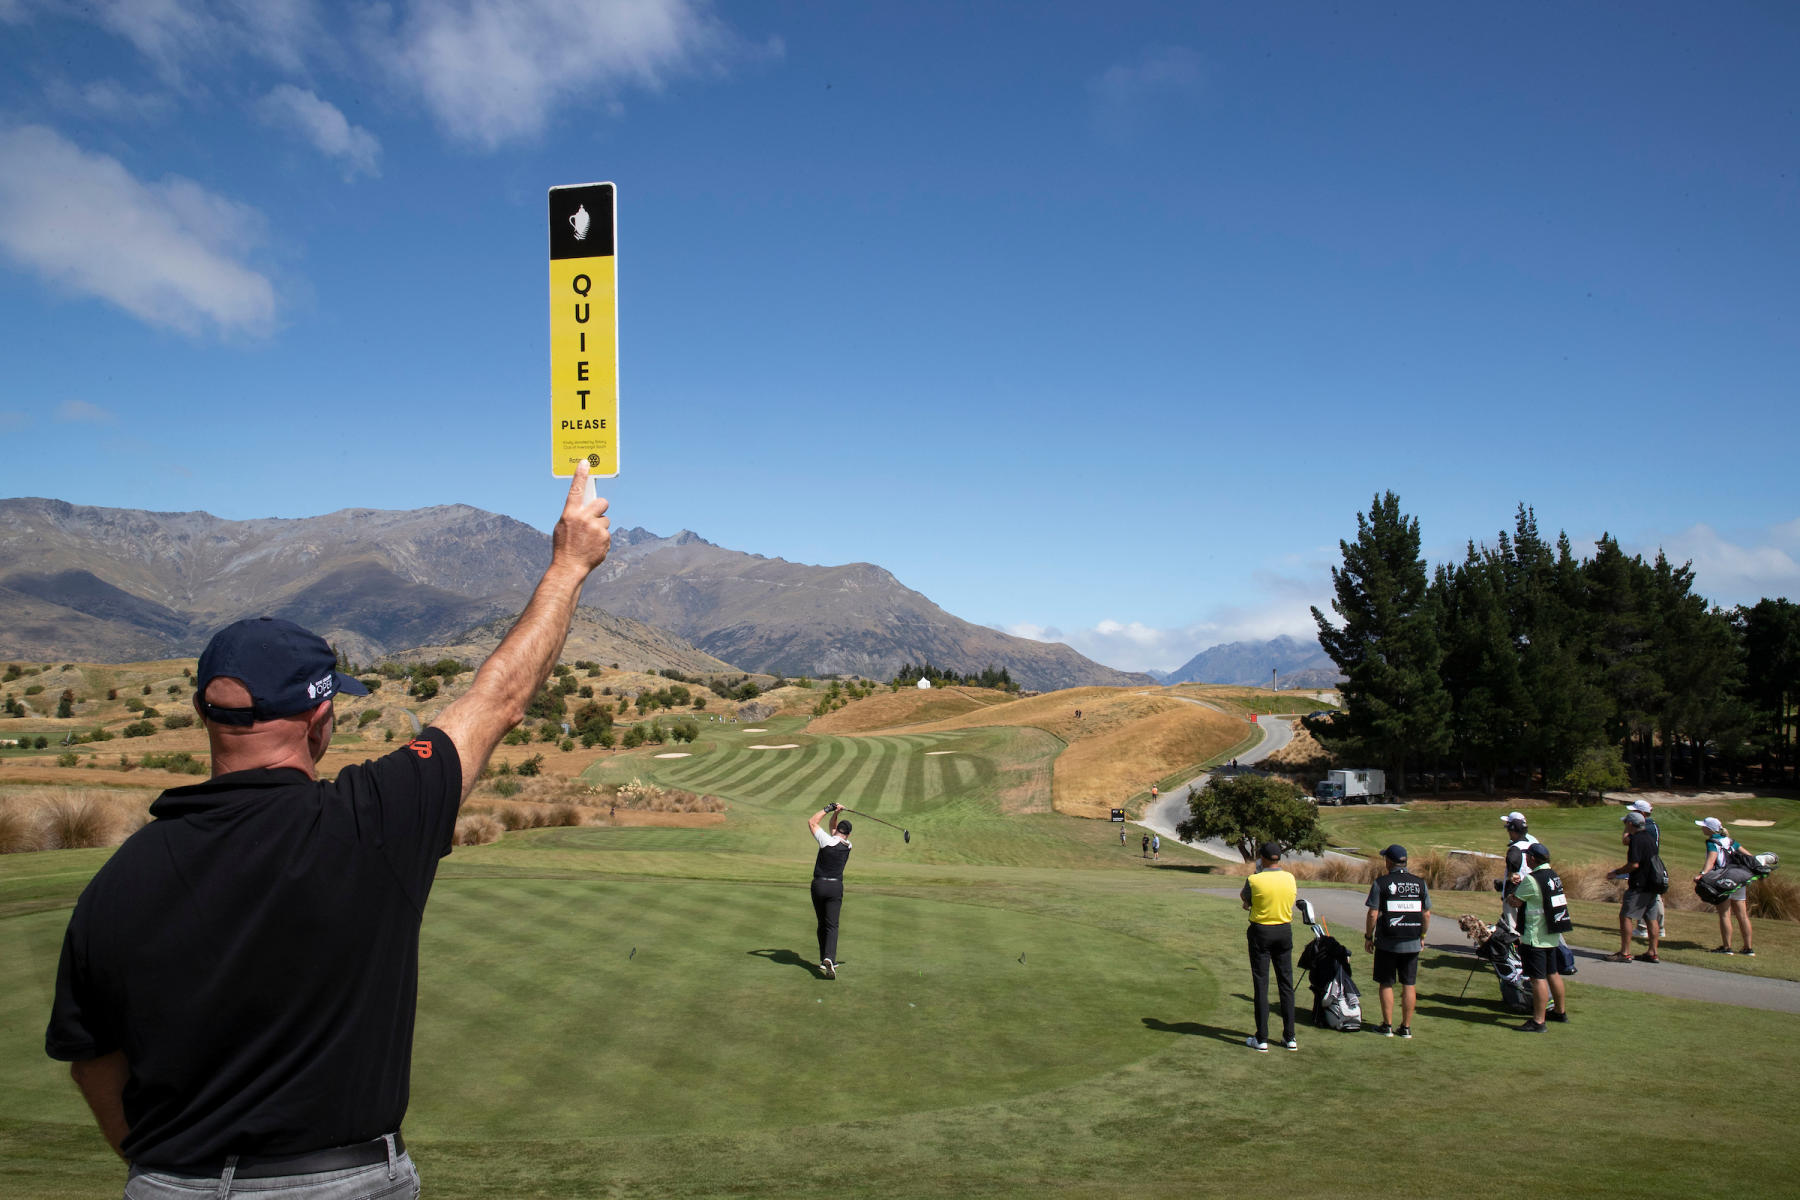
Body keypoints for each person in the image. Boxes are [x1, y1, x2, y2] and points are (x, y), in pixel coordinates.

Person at [44, 464, 613, 1196]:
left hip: (167, 1183)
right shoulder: (369, 819)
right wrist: (569, 564)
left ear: (205, 715)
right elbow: (497, 698)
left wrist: (162, 1169)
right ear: (320, 719)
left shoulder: (118, 877)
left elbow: (90, 1056)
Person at [1363, 844, 1430, 1038]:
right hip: (1412, 939)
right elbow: (1426, 914)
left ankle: (1387, 1025)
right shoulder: (1420, 883)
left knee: (1386, 983)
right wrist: (1423, 936)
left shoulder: (1381, 883)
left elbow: (1373, 913)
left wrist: (1369, 936)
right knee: (1409, 983)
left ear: (1389, 862)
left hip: (1387, 941)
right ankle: (1406, 1027)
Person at [1240, 841, 1299, 1052]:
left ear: (1262, 858)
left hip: (1261, 932)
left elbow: (1245, 899)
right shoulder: (1290, 878)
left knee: (1261, 984)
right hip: (1284, 930)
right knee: (1286, 983)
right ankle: (1290, 1037)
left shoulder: (1254, 879)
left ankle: (1262, 1038)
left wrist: (1250, 904)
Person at [1509, 843, 1573, 1031]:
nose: (1526, 858)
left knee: (1538, 979)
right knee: (1552, 973)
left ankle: (1538, 1021)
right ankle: (1560, 1012)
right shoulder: (1553, 876)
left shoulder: (1532, 879)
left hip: (1534, 935)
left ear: (1533, 859)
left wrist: (1514, 890)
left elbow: (1515, 901)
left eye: (1528, 856)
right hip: (1551, 935)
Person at [1695, 816, 1755, 956]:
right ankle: (1748, 948)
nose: (1702, 828)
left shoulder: (1712, 842)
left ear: (1710, 829)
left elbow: (1711, 860)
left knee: (1724, 914)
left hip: (1722, 881)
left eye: (1704, 826)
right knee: (1742, 915)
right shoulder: (1732, 841)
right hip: (1738, 879)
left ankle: (1727, 947)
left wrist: (1702, 874)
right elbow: (1750, 857)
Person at [1608, 811, 1662, 962]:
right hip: (1652, 884)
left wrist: (1616, 872)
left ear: (1630, 824)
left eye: (1626, 823)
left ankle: (1624, 953)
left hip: (1640, 884)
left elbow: (1634, 864)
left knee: (1626, 916)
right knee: (1651, 918)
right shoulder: (1650, 838)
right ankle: (1652, 952)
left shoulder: (1637, 840)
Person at [808, 803, 853, 978]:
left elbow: (812, 822)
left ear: (837, 831)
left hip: (818, 885)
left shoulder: (826, 841)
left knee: (821, 924)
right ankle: (829, 959)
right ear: (848, 834)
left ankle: (823, 959)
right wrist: (837, 814)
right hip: (835, 887)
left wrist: (829, 808)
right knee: (832, 925)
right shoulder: (848, 846)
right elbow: (834, 830)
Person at [1497, 811, 1539, 935]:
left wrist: (1511, 875)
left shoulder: (1516, 848)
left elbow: (1513, 860)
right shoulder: (1532, 845)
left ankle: (1513, 954)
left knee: (1513, 929)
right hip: (1529, 891)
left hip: (1514, 894)